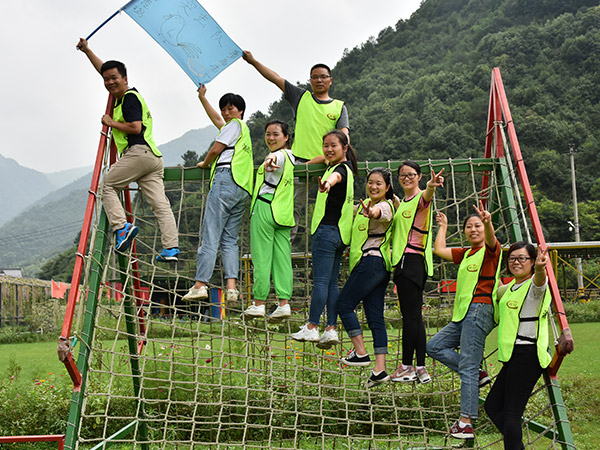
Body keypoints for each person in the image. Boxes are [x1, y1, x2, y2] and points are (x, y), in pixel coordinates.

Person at [76, 38, 179, 261]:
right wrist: (87, 51)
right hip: (153, 158)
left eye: (114, 78)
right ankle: (171, 248)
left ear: (125, 79)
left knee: (107, 185)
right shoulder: (127, 95)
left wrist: (111, 122)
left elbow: (135, 127)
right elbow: (104, 70)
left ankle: (121, 227)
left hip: (138, 153)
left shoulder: (129, 98)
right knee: (160, 205)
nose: (109, 82)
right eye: (106, 79)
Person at [242, 51, 349, 240]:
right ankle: (286, 246)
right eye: (315, 77)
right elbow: (275, 78)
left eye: (323, 77)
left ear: (330, 80)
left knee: (332, 208)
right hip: (300, 164)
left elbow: (344, 136)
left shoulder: (339, 107)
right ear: (310, 80)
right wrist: (253, 61)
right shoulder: (301, 97)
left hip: (328, 166)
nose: (319, 80)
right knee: (291, 207)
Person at [484, 242, 572, 450]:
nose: (516, 262)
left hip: (528, 354)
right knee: (492, 406)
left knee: (512, 414)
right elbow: (497, 289)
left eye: (522, 258)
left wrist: (540, 269)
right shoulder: (510, 288)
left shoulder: (535, 287)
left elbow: (540, 282)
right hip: (513, 356)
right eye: (512, 258)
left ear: (532, 262)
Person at [427, 201, 502, 440]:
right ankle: (477, 374)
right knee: (434, 346)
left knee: (467, 367)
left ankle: (466, 422)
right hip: (463, 314)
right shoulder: (467, 253)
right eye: (469, 226)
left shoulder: (490, 251)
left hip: (480, 309)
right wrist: (443, 226)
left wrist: (488, 223)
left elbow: (492, 240)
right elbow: (439, 250)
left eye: (477, 226)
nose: (473, 230)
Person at [182, 84, 253, 304]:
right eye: (224, 109)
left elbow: (215, 149)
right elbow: (217, 120)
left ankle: (200, 284)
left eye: (231, 108)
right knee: (230, 239)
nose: (226, 112)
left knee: (210, 234)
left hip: (225, 180)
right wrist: (203, 98)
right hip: (242, 187)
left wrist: (205, 163)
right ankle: (231, 287)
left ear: (240, 111)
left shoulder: (234, 126)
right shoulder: (240, 131)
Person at [291, 130, 357, 348]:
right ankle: (330, 328)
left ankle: (312, 326)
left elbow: (333, 178)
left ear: (345, 148)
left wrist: (327, 183)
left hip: (326, 232)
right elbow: (324, 160)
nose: (328, 150)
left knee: (320, 281)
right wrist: (309, 163)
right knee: (331, 283)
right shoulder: (347, 167)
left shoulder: (338, 171)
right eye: (325, 145)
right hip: (340, 234)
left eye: (333, 146)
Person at [338, 168, 395, 388]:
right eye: (370, 182)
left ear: (387, 187)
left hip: (371, 262)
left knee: (344, 305)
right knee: (375, 318)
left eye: (379, 183)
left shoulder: (385, 205)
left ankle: (360, 352)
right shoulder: (362, 207)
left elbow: (381, 213)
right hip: (380, 267)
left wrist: (372, 212)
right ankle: (379, 370)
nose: (373, 186)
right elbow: (348, 211)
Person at [390, 162, 444, 384]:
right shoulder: (403, 203)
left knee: (410, 318)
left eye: (411, 174)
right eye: (402, 175)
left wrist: (431, 185)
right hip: (413, 264)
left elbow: (426, 197)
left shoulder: (421, 197)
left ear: (419, 177)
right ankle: (419, 367)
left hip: (410, 262)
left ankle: (407, 366)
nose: (406, 178)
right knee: (414, 318)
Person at [243, 120, 295, 322]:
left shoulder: (277, 155)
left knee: (261, 257)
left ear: (286, 137)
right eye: (268, 134)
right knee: (283, 258)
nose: (271, 138)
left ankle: (259, 303)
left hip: (265, 207)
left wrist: (269, 161)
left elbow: (273, 158)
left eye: (275, 134)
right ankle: (284, 303)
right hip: (283, 212)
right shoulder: (292, 156)